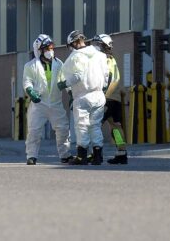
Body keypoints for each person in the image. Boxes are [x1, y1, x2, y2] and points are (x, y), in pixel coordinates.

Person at [58, 30, 109, 165]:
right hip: (99, 95)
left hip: (83, 96)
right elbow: (106, 77)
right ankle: (98, 156)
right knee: (95, 126)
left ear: (73, 43)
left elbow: (77, 76)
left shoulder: (75, 57)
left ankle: (82, 156)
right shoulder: (100, 55)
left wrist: (64, 84)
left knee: (82, 126)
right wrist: (102, 90)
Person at [23, 34, 72, 165]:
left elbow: (65, 80)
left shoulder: (59, 63)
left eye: (51, 48)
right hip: (39, 103)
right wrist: (31, 92)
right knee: (34, 130)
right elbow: (27, 82)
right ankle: (31, 156)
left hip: (56, 102)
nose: (50, 51)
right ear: (39, 50)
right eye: (47, 48)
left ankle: (65, 154)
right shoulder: (30, 66)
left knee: (63, 129)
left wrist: (71, 93)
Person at [92, 34, 128, 164]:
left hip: (105, 97)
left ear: (102, 45)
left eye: (96, 44)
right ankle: (121, 153)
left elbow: (104, 78)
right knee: (116, 127)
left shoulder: (102, 59)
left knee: (94, 126)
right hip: (116, 98)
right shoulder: (112, 59)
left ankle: (96, 153)